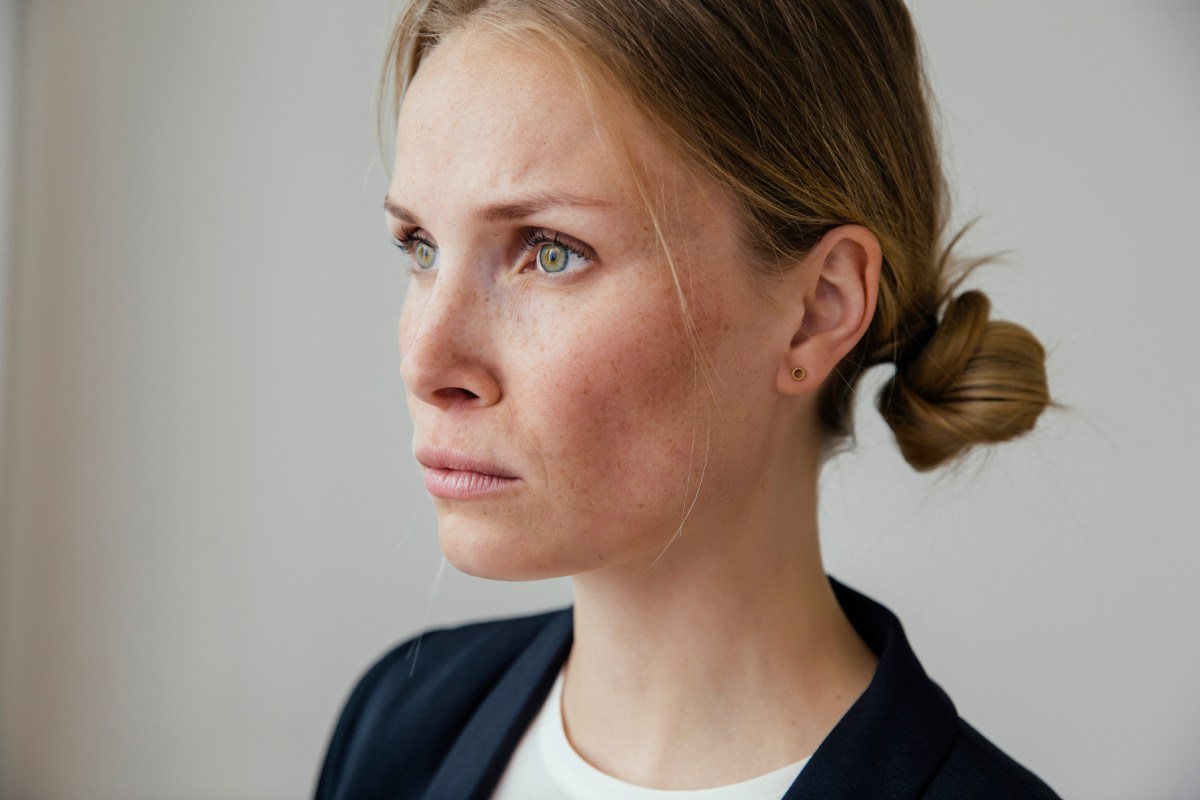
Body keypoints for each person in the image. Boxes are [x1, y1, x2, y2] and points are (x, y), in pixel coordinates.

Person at [316, 1, 1059, 798]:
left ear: (817, 309)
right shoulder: (397, 724)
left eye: (551, 250)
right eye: (420, 247)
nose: (426, 361)